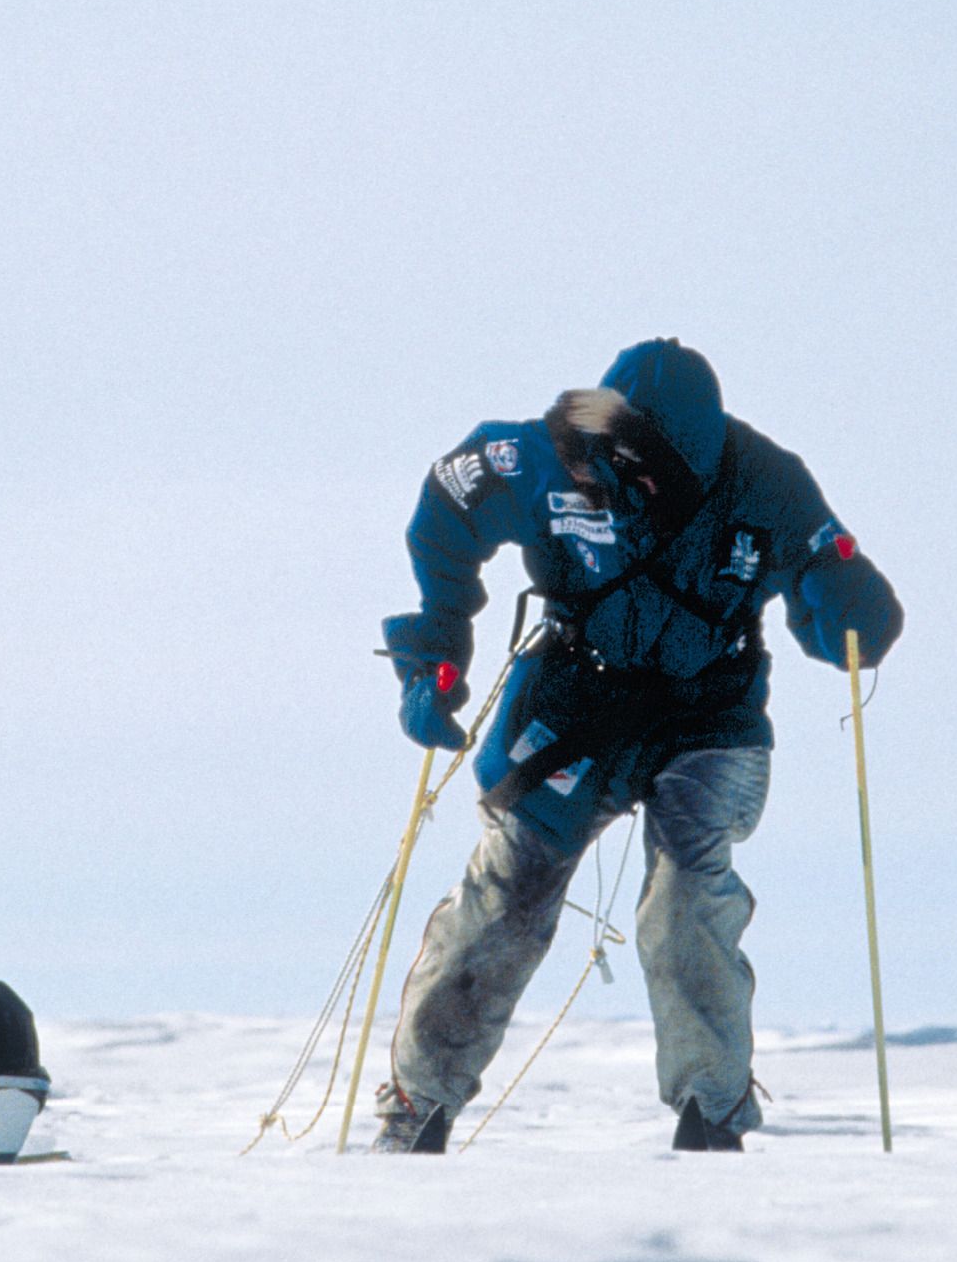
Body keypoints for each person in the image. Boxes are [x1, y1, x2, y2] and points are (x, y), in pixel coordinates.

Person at [372, 338, 902, 1154]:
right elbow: (449, 505)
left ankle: (713, 1108)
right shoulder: (534, 456)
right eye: (622, 461)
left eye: (656, 475)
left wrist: (850, 611)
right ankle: (419, 1101)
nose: (633, 484)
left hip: (708, 712)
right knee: (512, 886)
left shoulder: (768, 483)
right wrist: (434, 652)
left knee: (687, 889)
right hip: (574, 697)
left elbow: (834, 579)